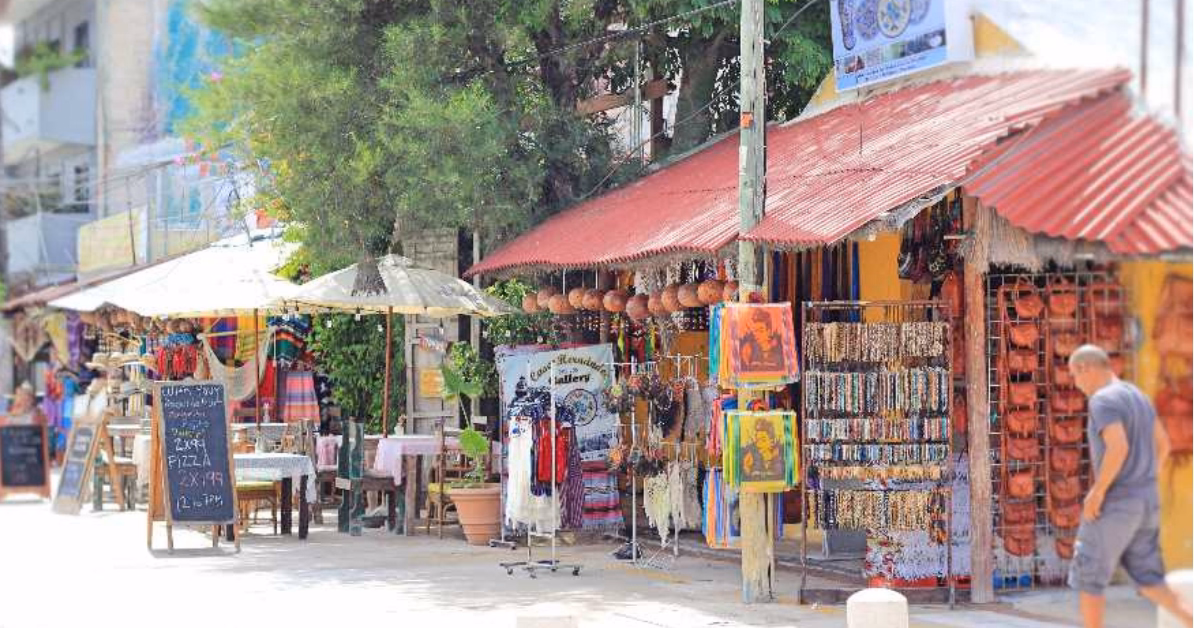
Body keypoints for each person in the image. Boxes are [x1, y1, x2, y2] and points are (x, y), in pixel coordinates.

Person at [1067, 345, 1191, 628]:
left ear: (1087, 368)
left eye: (1075, 375)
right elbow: (1164, 446)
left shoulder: (1102, 400)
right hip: (1147, 499)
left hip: (1117, 500)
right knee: (1149, 580)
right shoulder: (1139, 397)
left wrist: (1098, 492)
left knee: (1089, 576)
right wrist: (1143, 481)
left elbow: (1118, 447)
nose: (1076, 383)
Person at [738, 308, 785, 373]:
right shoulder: (748, 351)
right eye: (755, 331)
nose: (756, 335)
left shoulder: (779, 352)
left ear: (769, 331)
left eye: (760, 330)